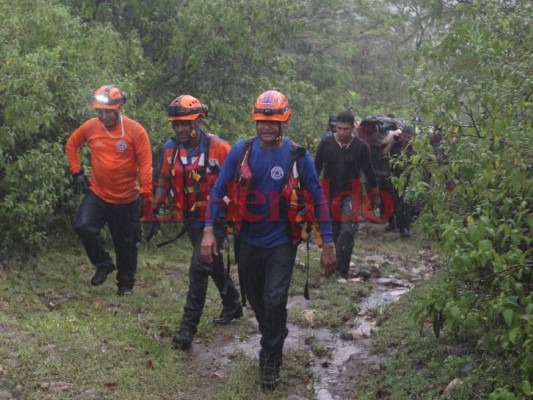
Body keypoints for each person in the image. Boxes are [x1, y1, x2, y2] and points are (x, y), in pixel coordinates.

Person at [200, 90, 337, 390]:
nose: (267, 126)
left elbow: (319, 197)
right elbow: (217, 191)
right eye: (262, 120)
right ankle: (273, 335)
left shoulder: (298, 156)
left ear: (284, 122)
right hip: (248, 240)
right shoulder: (241, 151)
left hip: (281, 241)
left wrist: (328, 241)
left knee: (275, 299)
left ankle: (270, 359)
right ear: (256, 120)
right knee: (257, 300)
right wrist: (209, 229)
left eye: (273, 121)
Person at [151, 95, 242, 350]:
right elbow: (163, 179)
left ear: (198, 121)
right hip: (191, 217)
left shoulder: (219, 148)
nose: (180, 129)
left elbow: (239, 183)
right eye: (176, 124)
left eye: (185, 124)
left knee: (198, 268)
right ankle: (233, 303)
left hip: (216, 218)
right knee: (210, 263)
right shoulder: (171, 149)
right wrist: (154, 210)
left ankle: (187, 329)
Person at [65, 85, 153, 296]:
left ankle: (125, 285)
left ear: (118, 109)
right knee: (83, 225)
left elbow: (145, 164)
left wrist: (146, 195)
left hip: (127, 198)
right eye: (99, 111)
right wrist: (77, 172)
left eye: (106, 112)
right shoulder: (91, 127)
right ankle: (103, 263)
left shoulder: (135, 131)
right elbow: (72, 144)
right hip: (98, 193)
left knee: (126, 243)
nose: (102, 116)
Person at [314, 111, 378, 281]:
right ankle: (335, 265)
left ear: (353, 129)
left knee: (348, 231)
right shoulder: (326, 144)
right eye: (339, 129)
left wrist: (375, 193)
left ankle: (342, 271)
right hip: (329, 193)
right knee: (334, 232)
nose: (342, 133)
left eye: (346, 129)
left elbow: (369, 171)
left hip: (352, 194)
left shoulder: (361, 147)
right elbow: (315, 168)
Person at [381, 125, 415, 238]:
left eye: (408, 137)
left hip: (407, 179)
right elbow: (384, 153)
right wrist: (392, 142)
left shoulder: (413, 148)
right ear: (401, 135)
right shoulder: (395, 145)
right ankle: (399, 226)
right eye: (404, 136)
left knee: (406, 204)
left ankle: (406, 228)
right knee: (396, 204)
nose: (406, 139)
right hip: (394, 179)